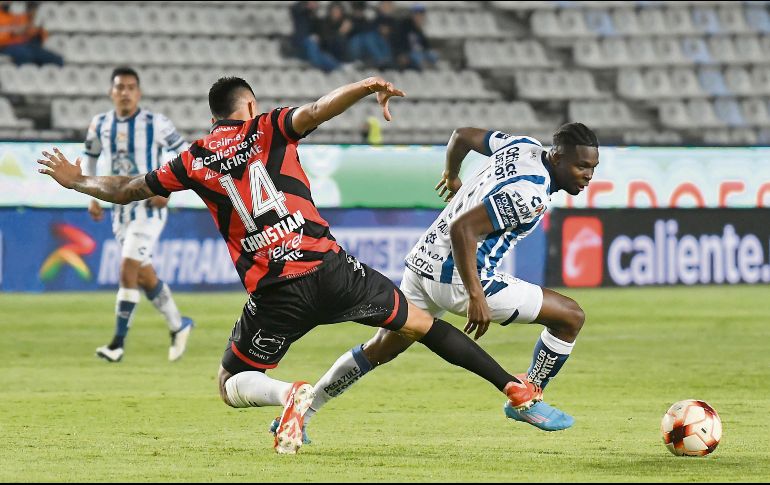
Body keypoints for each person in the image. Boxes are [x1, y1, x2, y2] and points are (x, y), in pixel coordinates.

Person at [39, 75, 541, 455]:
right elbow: (320, 109)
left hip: (276, 294)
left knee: (229, 383)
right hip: (333, 271)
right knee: (422, 325)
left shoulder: (192, 160)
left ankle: (288, 395)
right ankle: (513, 387)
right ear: (248, 105)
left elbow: (128, 189)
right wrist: (366, 86)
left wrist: (77, 181)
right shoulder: (267, 127)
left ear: (214, 115)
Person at [291, 123, 599, 442]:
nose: (588, 175)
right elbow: (463, 229)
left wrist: (452, 174)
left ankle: (300, 414)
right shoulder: (530, 194)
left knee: (381, 347)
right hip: (460, 280)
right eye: (581, 166)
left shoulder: (522, 145)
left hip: (423, 262)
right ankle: (528, 395)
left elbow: (462, 135)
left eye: (592, 167)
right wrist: (476, 295)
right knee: (570, 317)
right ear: (557, 157)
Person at [83, 66, 193, 363]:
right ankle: (179, 324)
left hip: (148, 208)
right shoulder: (100, 124)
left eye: (131, 87)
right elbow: (90, 158)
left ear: (139, 92)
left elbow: (187, 156)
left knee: (127, 267)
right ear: (111, 92)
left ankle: (117, 344)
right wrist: (92, 195)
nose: (125, 93)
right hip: (119, 211)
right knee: (144, 276)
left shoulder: (156, 123)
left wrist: (167, 189)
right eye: (120, 87)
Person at [0, 1, 63, 66]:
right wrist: (12, 33)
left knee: (57, 60)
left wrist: (33, 21)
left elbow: (37, 34)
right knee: (24, 55)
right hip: (6, 46)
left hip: (27, 45)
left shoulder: (22, 14)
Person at [393, 4, 438, 71]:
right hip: (409, 53)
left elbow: (425, 45)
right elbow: (398, 42)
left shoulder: (419, 29)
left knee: (433, 55)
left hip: (420, 52)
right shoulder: (404, 26)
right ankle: (425, 68)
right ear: (412, 15)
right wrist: (401, 54)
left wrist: (427, 50)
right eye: (416, 14)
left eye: (421, 15)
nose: (419, 17)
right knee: (417, 56)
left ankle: (430, 68)